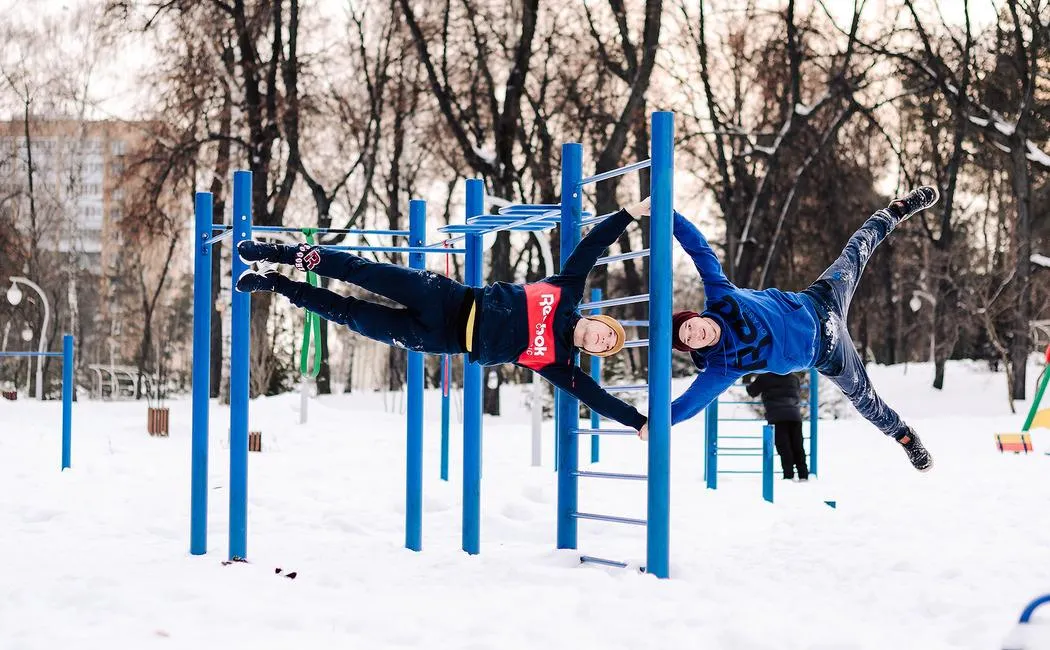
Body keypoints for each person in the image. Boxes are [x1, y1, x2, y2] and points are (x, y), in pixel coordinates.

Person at [234, 198, 651, 437]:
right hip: (447, 298)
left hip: (440, 339)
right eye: (605, 334)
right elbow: (591, 246)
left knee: (351, 315)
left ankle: (278, 285)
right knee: (358, 270)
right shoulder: (567, 291)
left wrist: (638, 423)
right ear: (599, 321)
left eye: (605, 348)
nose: (601, 342)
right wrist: (629, 214)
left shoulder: (560, 364)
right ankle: (279, 254)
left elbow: (596, 398)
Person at [658, 188, 938, 472]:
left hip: (821, 300)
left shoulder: (720, 295)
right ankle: (904, 436)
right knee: (865, 400)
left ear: (695, 316)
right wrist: (656, 422)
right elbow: (692, 401)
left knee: (857, 250)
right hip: (828, 353)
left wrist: (669, 217)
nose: (696, 335)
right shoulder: (723, 366)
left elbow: (700, 251)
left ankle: (897, 210)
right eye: (689, 340)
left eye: (691, 327)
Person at [745, 372, 808, 481]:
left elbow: (752, 392)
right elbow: (797, 392)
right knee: (798, 446)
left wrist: (747, 376)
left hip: (776, 416)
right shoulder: (794, 378)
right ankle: (803, 475)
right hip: (794, 415)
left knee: (784, 448)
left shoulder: (764, 377)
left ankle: (788, 476)